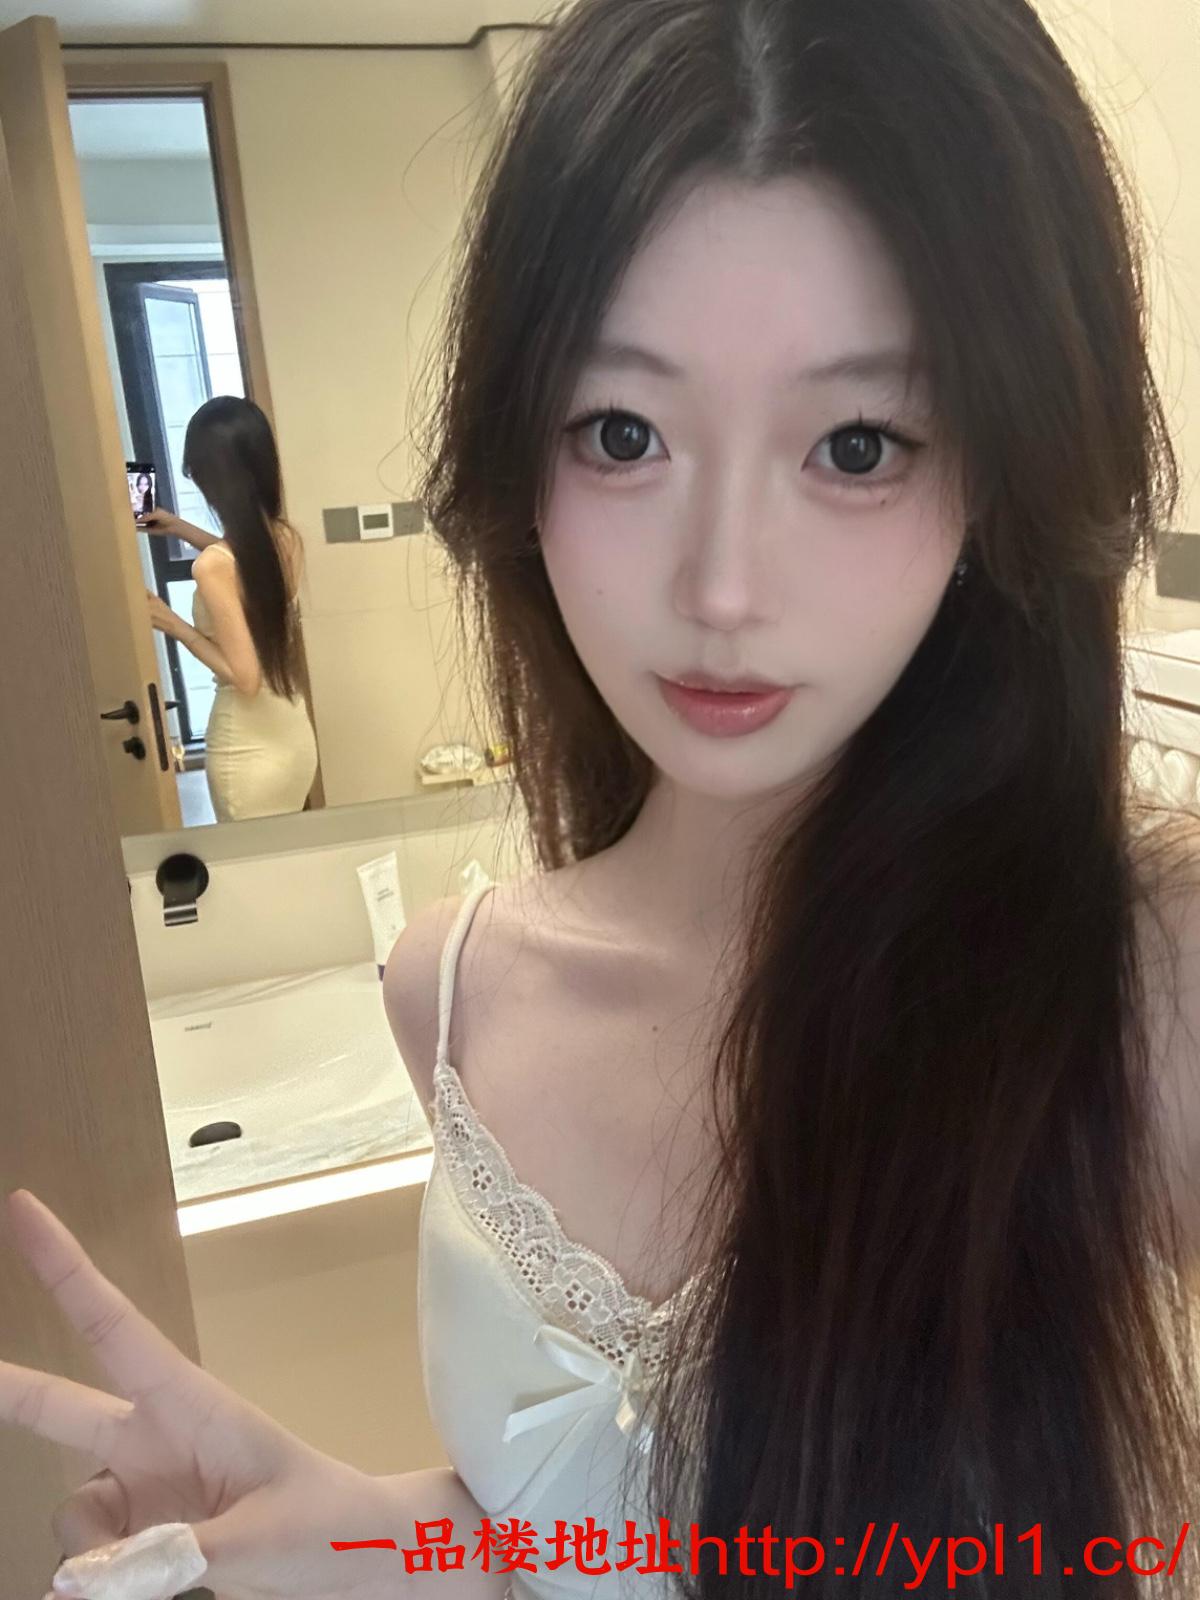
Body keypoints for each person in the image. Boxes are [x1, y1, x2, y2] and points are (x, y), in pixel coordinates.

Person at [5, 0, 1200, 1597]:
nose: (720, 587)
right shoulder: (453, 992)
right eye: (623, 433)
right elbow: (580, 1539)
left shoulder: (1144, 981)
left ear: (1001, 470)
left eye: (857, 445)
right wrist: (359, 1530)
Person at [141, 396, 318, 821]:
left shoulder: (212, 568)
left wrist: (172, 623)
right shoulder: (286, 539)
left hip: (247, 750)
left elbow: (246, 678)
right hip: (293, 737)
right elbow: (247, 567)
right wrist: (179, 528)